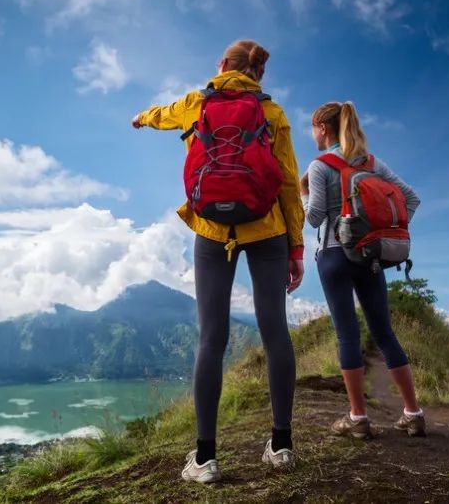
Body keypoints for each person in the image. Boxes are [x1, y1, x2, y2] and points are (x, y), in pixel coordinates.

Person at [132, 40, 305, 483]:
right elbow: (287, 182)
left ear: (223, 65)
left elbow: (163, 115)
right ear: (257, 75)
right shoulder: (273, 114)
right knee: (275, 332)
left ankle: (205, 458)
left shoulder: (197, 103)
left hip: (211, 230)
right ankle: (281, 446)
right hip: (268, 230)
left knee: (211, 337)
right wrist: (297, 246)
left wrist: (143, 117)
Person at [301, 101, 426, 439]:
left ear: (323, 129)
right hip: (369, 255)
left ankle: (358, 418)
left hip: (333, 254)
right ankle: (413, 414)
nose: (311, 134)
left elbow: (313, 217)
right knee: (384, 333)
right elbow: (411, 199)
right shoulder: (372, 163)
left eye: (312, 128)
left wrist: (300, 200)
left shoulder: (320, 165)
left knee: (347, 335)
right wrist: (381, 231)